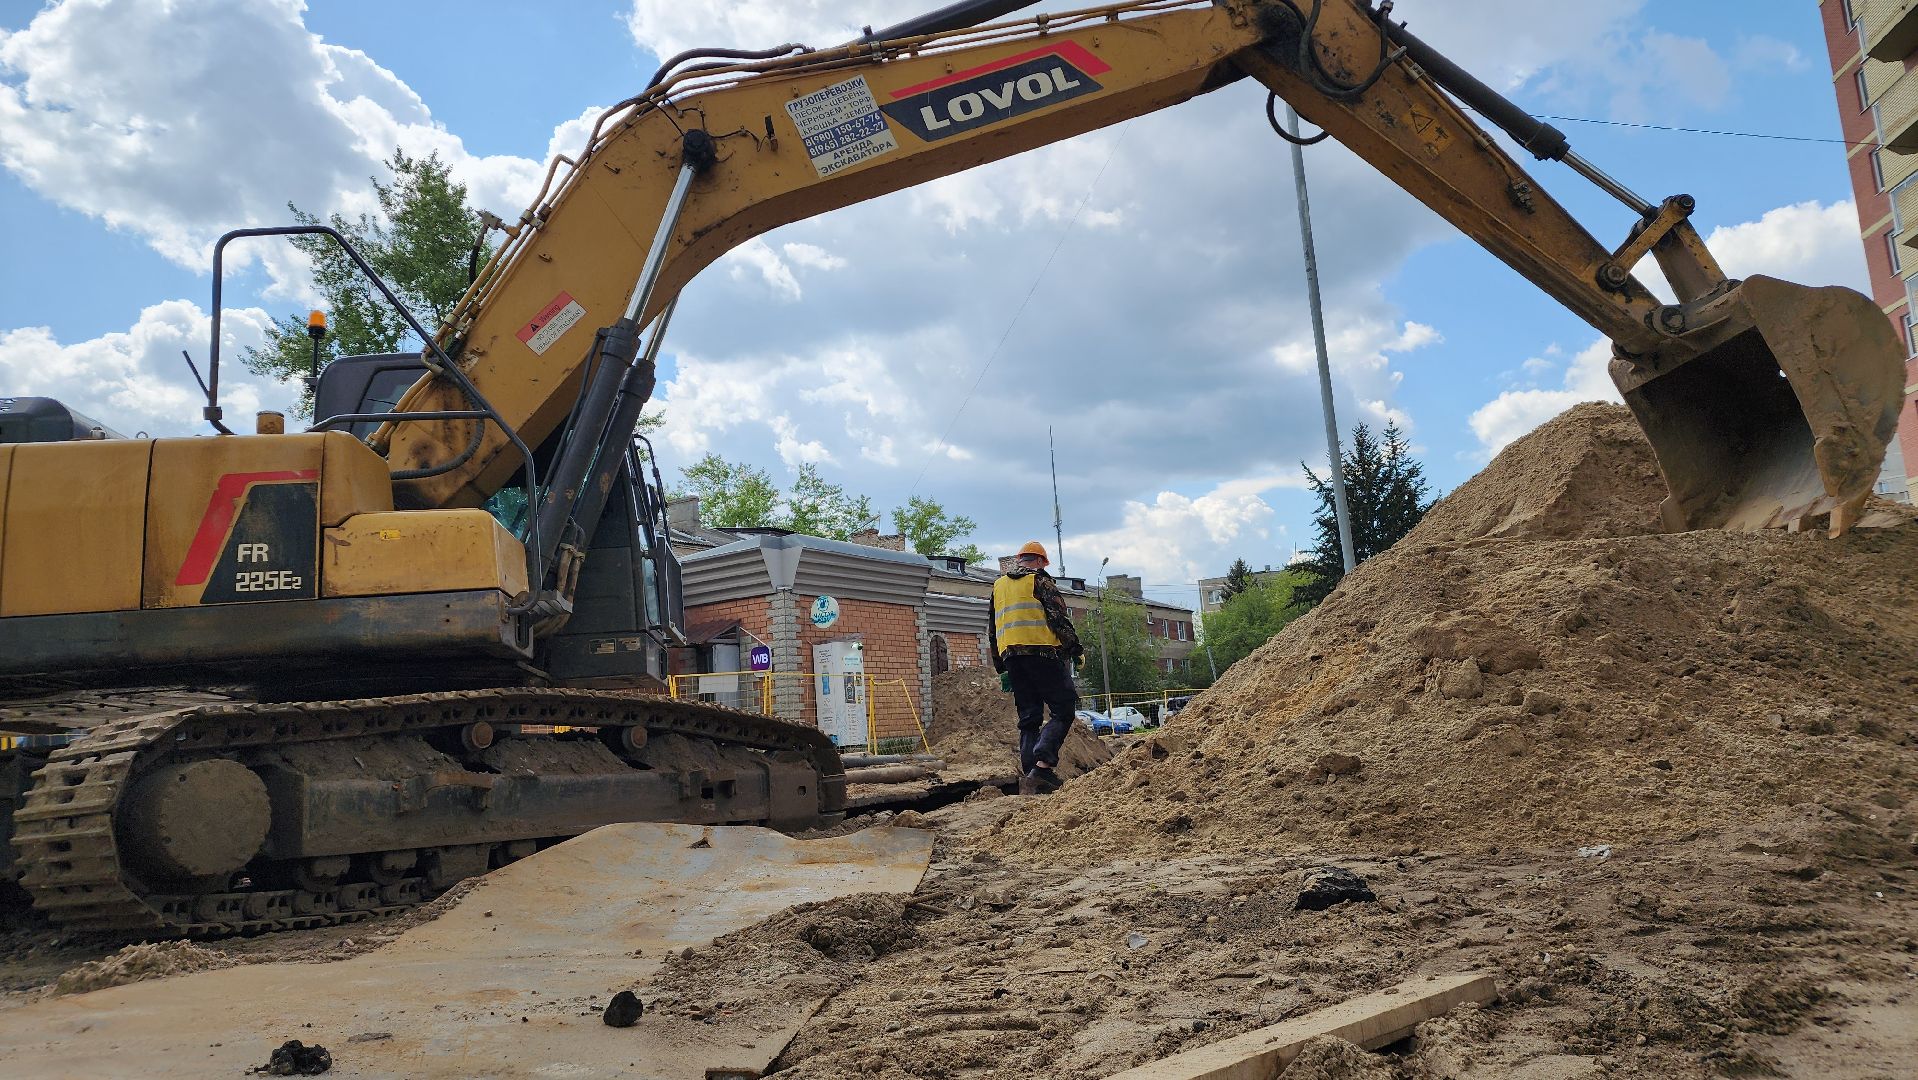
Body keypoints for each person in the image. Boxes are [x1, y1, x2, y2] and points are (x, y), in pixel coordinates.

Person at [988, 541, 1083, 795]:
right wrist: (1074, 649)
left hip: (1012, 658)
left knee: (1029, 718)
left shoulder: (998, 586)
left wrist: (1001, 667)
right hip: (1043, 654)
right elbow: (1058, 619)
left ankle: (1031, 777)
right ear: (1040, 561)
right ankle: (1042, 766)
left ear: (1020, 560)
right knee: (1064, 709)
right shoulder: (1040, 581)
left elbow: (992, 630)